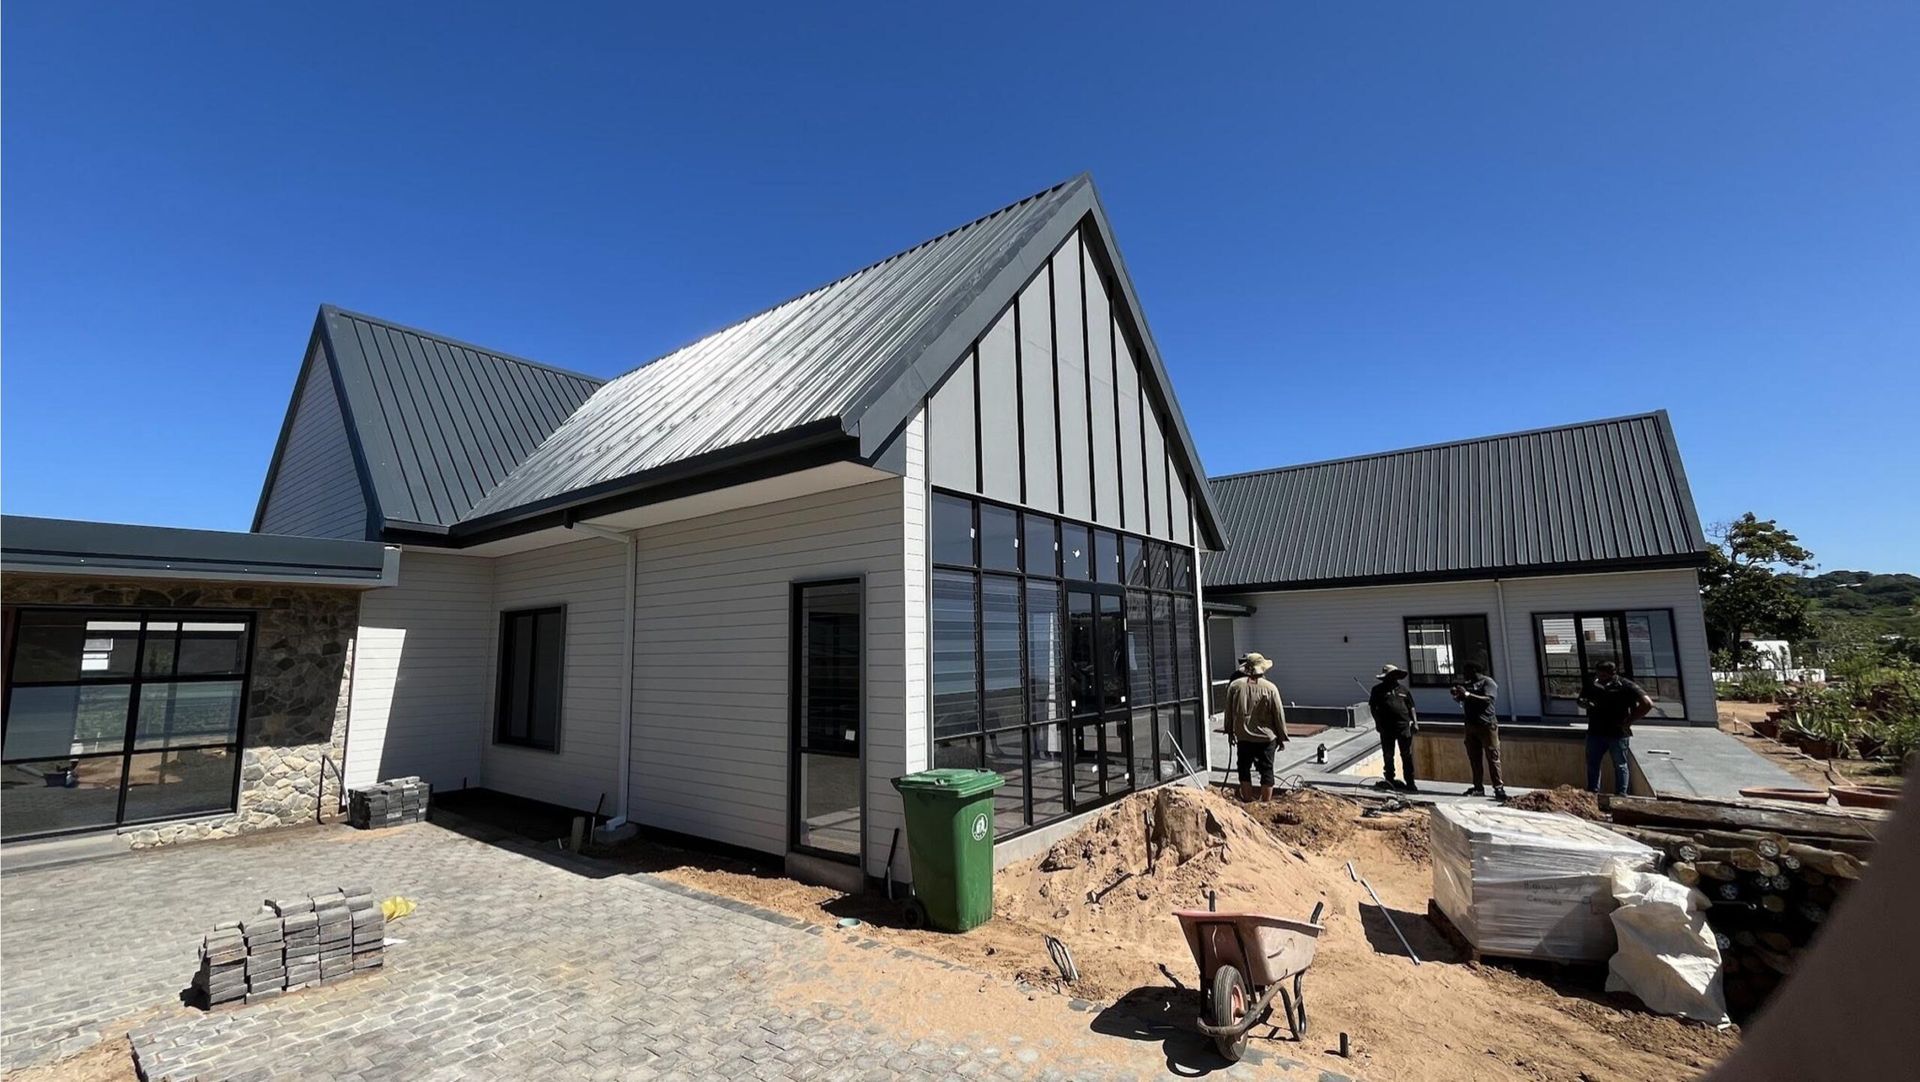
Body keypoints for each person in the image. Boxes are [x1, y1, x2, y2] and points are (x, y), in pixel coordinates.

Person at [1578, 660, 1653, 793]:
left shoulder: (1625, 685)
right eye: (1599, 675)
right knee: (1593, 764)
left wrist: (1629, 720)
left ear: (1613, 674)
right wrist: (1585, 704)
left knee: (1620, 765)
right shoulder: (1593, 684)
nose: (1601, 679)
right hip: (1596, 731)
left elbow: (1647, 703)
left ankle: (1621, 796)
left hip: (1617, 732)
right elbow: (1581, 699)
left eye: (1604, 676)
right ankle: (1593, 794)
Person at [1224, 652, 1286, 803]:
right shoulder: (1271, 688)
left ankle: (1247, 800)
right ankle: (1265, 804)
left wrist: (1230, 731)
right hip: (1266, 738)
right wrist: (1282, 737)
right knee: (1267, 770)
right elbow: (1278, 714)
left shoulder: (1235, 686)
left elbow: (1229, 712)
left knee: (1243, 769)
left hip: (1244, 736)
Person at [1450, 661, 1507, 800]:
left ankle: (1498, 787)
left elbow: (1488, 699)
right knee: (1474, 757)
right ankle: (1478, 786)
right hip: (1470, 725)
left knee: (1492, 756)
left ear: (1475, 670)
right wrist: (1457, 696)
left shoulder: (1488, 683)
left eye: (1466, 670)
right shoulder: (1468, 684)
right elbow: (1464, 700)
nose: (1464, 674)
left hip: (1487, 725)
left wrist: (1468, 694)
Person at [1367, 663, 1419, 792]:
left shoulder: (1403, 690)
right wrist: (1377, 723)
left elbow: (1411, 707)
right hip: (1386, 727)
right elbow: (1373, 708)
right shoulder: (1377, 690)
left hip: (1403, 726)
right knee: (1388, 754)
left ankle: (1410, 782)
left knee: (1406, 754)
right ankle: (1390, 779)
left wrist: (1415, 722)